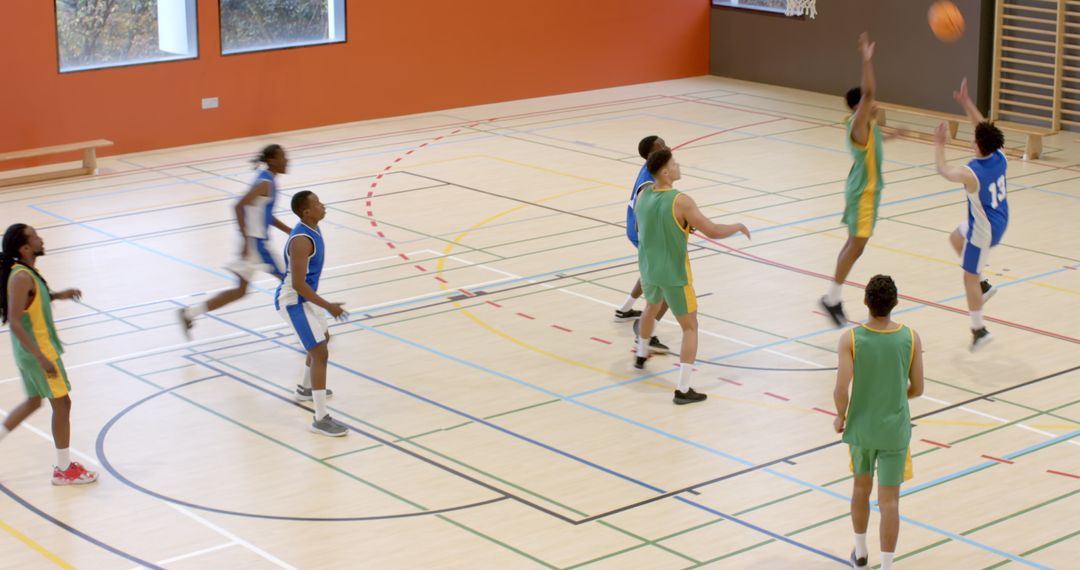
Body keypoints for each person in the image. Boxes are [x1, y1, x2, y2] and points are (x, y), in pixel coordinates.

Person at [633, 149, 750, 405]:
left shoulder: (642, 194)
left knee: (650, 308)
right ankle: (683, 389)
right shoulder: (681, 201)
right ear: (666, 172)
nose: (678, 166)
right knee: (690, 327)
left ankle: (641, 355)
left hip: (648, 268)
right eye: (674, 163)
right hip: (674, 273)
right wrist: (738, 227)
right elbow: (713, 230)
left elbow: (641, 227)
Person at [833, 275, 924, 569]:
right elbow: (918, 388)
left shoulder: (851, 339)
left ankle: (860, 553)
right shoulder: (911, 337)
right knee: (890, 502)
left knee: (861, 488)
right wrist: (895, 396)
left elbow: (840, 387)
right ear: (895, 303)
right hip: (894, 432)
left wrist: (840, 415)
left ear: (866, 302)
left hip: (862, 428)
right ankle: (886, 565)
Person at [0, 223, 98, 485]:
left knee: (34, 401)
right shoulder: (21, 276)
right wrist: (42, 358)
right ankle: (64, 469)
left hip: (30, 352)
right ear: (24, 247)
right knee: (62, 403)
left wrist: (58, 295)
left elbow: (33, 300)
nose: (41, 239)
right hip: (38, 351)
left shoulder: (26, 273)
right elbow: (16, 321)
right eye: (35, 237)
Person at [820, 33, 905, 328]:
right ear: (861, 106)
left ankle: (833, 296)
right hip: (863, 194)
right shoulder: (858, 124)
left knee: (856, 245)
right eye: (870, 101)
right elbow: (868, 92)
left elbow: (874, 146)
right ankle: (832, 298)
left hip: (867, 191)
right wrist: (867, 59)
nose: (875, 102)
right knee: (856, 246)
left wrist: (892, 136)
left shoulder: (867, 126)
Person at [179, 144, 291, 337]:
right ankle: (312, 331)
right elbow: (238, 206)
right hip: (257, 245)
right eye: (283, 157)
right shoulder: (265, 183)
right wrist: (247, 240)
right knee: (292, 283)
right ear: (272, 160)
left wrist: (289, 230)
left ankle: (189, 313)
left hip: (254, 244)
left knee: (240, 291)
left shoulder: (268, 181)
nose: (287, 160)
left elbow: (265, 215)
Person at [934, 78, 1009, 351]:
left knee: (968, 276)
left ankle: (979, 330)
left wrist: (940, 144)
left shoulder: (971, 173)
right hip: (998, 217)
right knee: (955, 238)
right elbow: (983, 127)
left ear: (978, 145)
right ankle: (985, 286)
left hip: (984, 228)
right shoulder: (1000, 155)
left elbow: (944, 171)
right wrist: (967, 102)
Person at [275, 191, 350, 436]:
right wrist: (328, 305)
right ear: (306, 211)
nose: (322, 205)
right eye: (317, 203)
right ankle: (320, 418)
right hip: (293, 301)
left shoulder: (313, 228)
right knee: (319, 351)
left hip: (305, 298)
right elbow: (297, 284)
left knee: (322, 341)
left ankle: (305, 389)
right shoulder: (301, 240)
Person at [617, 135, 669, 354]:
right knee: (666, 287)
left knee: (651, 274)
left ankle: (625, 309)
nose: (667, 147)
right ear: (650, 154)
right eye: (661, 146)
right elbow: (646, 210)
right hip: (644, 234)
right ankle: (646, 335)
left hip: (637, 231)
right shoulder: (649, 181)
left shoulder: (652, 168)